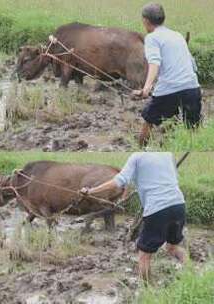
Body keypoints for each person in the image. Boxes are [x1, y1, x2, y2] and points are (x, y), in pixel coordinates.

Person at [80, 152, 186, 281]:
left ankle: (147, 291)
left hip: (157, 208)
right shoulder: (168, 155)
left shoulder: (137, 156)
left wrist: (91, 191)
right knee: (172, 248)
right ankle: (191, 273)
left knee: (144, 255)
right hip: (179, 204)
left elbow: (119, 181)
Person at [133, 3, 201, 146]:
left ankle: (140, 149)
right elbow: (192, 63)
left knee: (149, 120)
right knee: (192, 129)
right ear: (163, 19)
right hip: (192, 88)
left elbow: (154, 63)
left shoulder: (152, 38)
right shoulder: (177, 35)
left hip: (169, 90)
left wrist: (146, 89)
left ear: (145, 20)